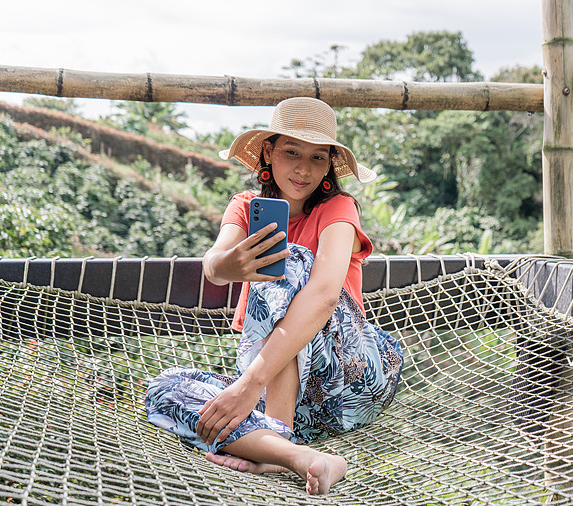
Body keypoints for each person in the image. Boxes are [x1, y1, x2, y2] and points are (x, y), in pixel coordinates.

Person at [145, 97, 403, 495]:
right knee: (164, 390)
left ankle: (271, 436)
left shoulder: (339, 208)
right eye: (291, 152)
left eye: (318, 158)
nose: (303, 169)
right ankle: (296, 456)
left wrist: (249, 385)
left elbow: (324, 297)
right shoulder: (245, 206)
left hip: (350, 375)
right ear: (268, 152)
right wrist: (227, 265)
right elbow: (214, 263)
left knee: (288, 259)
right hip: (291, 400)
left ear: (329, 165)